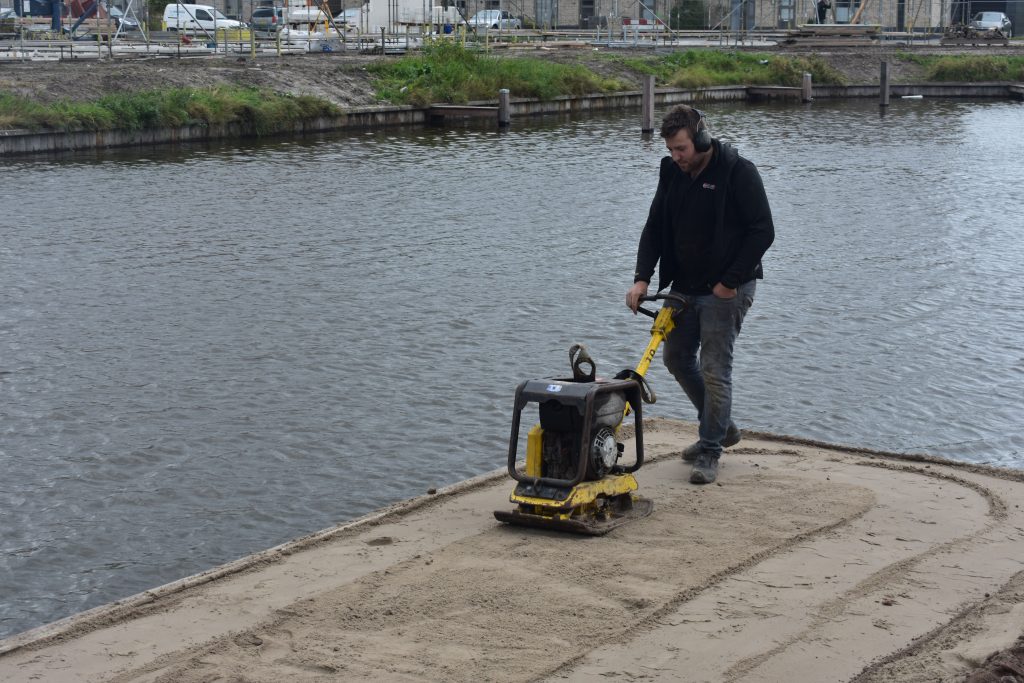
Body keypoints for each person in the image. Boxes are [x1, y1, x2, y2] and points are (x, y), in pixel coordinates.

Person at [625, 105, 774, 485]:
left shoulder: (739, 172)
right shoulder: (670, 171)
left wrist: (729, 282)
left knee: (715, 369)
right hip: (684, 288)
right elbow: (655, 226)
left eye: (682, 150)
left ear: (702, 140)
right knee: (676, 358)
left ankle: (710, 447)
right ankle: (721, 427)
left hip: (727, 289)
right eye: (671, 150)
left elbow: (762, 231)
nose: (676, 158)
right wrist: (642, 278)